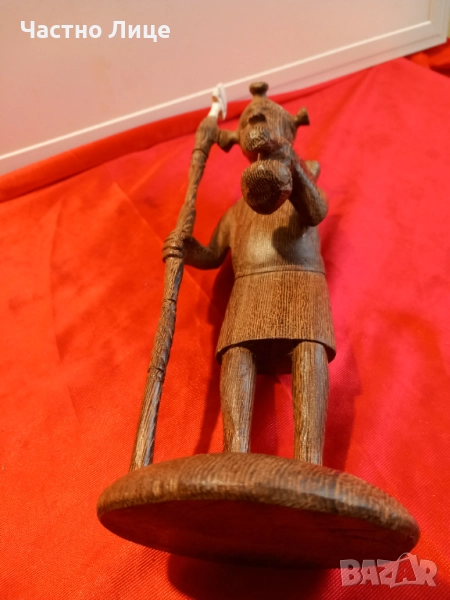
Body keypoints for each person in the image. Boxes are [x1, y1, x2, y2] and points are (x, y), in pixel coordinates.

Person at [163, 82, 335, 464]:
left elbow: (317, 211)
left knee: (309, 351)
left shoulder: (301, 184)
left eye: (264, 121)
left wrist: (289, 161)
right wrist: (186, 251)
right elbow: (213, 255)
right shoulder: (236, 213)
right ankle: (235, 454)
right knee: (236, 354)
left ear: (288, 130)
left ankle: (310, 462)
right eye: (249, 125)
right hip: (248, 293)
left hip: (301, 284)